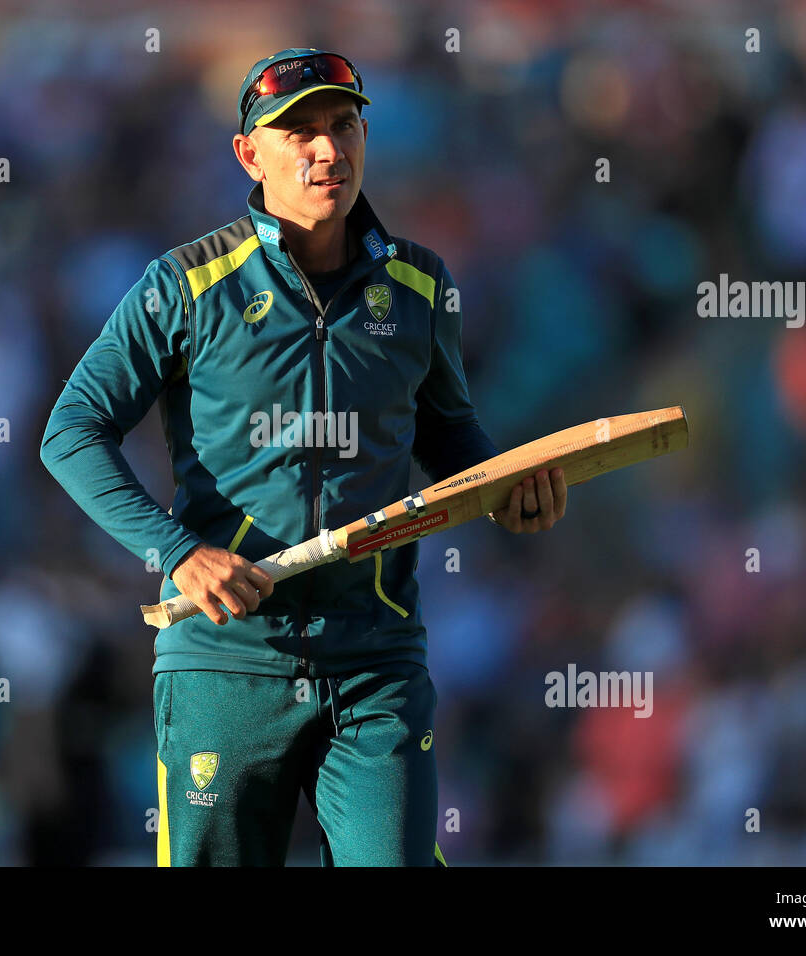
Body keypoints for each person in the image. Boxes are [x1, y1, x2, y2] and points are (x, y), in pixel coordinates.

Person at [40, 47, 567, 866]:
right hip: (227, 659)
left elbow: (449, 435)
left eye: (344, 125)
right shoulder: (184, 284)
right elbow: (69, 431)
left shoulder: (422, 287)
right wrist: (178, 555)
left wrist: (505, 487)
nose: (329, 150)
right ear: (249, 154)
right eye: (300, 133)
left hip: (376, 658)